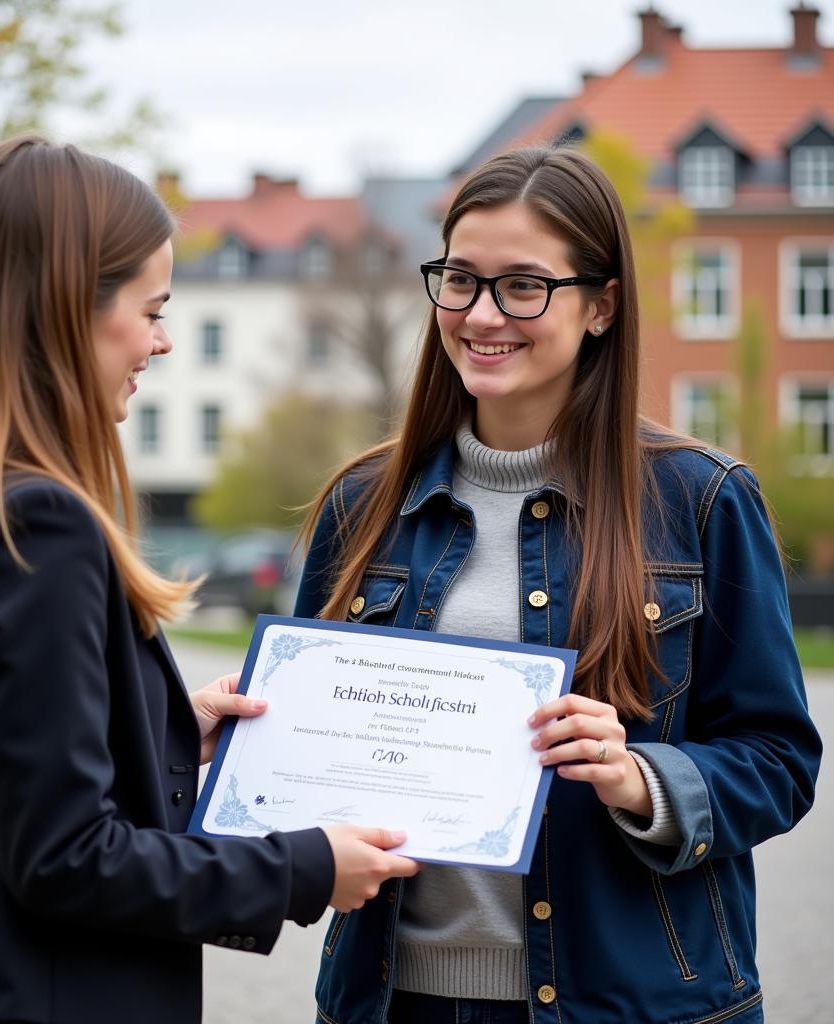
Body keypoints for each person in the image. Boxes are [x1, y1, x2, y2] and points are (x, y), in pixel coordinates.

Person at [0, 136, 419, 1024]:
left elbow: (1, 791)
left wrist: (170, 731)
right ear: (65, 309)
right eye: (151, 309)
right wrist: (305, 866)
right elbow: (65, 857)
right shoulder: (42, 524)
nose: (163, 341)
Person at [294, 145, 821, 1024]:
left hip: (631, 1003)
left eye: (524, 286)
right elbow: (310, 751)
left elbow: (779, 761)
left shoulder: (702, 500)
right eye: (460, 280)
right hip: (391, 999)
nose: (482, 313)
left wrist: (637, 778)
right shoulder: (363, 501)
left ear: (602, 306)